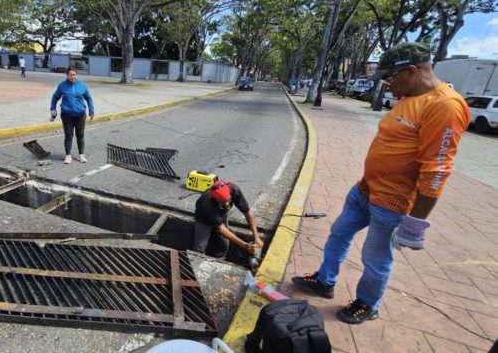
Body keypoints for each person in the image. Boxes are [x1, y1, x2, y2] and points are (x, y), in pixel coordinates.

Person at [291, 42, 470, 324]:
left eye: (390, 78)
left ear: (411, 71)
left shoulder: (445, 106)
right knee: (339, 233)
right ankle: (325, 280)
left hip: (393, 202)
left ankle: (367, 303)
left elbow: (437, 169)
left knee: (374, 257)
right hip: (364, 190)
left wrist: (416, 224)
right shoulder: (409, 96)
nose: (387, 85)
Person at [193, 179, 264, 259]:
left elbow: (247, 212)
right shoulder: (207, 200)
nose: (227, 204)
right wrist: (246, 246)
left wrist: (256, 237)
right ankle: (196, 263)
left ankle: (219, 261)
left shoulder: (234, 190)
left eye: (228, 200)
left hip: (221, 215)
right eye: (222, 202)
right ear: (215, 199)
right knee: (199, 248)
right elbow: (221, 228)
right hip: (204, 219)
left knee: (224, 244)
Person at [50, 66, 95, 164]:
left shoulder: (82, 85)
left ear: (76, 74)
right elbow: (55, 97)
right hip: (67, 115)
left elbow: (88, 98)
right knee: (68, 135)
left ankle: (81, 155)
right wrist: (53, 108)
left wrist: (91, 111)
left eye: (74, 75)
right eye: (70, 75)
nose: (72, 76)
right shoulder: (62, 86)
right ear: (67, 75)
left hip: (80, 114)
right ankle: (68, 156)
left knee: (80, 134)